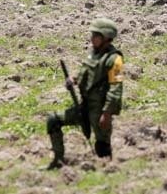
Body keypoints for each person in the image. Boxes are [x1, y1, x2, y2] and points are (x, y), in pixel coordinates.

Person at [46, 18, 124, 169]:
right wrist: (73, 80)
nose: (92, 38)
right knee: (53, 120)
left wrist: (106, 113)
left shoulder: (115, 60)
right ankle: (58, 160)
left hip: (99, 110)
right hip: (85, 106)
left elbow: (116, 89)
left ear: (106, 38)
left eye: (96, 35)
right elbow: (85, 74)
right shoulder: (93, 55)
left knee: (102, 147)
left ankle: (107, 172)